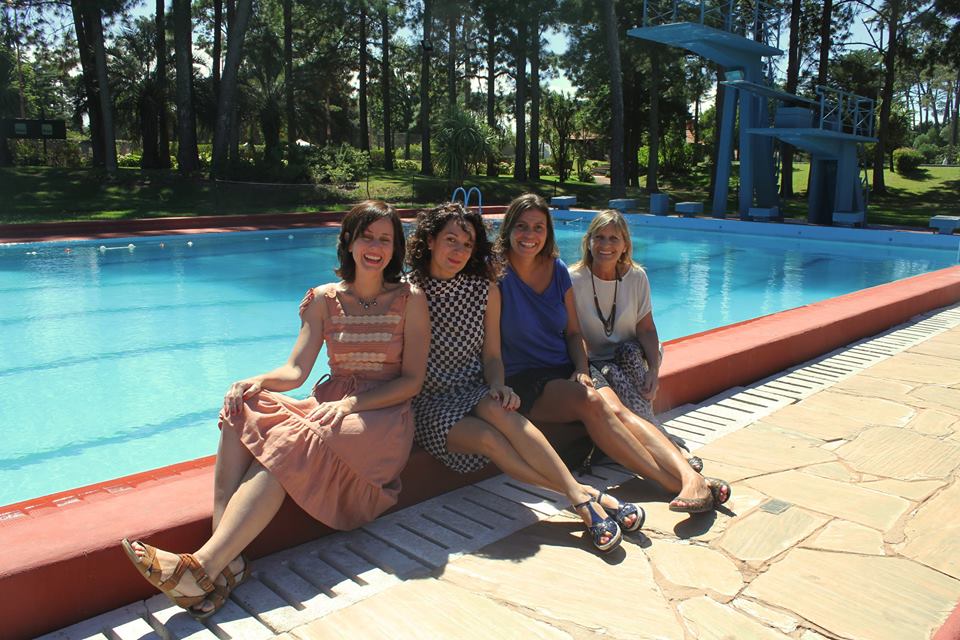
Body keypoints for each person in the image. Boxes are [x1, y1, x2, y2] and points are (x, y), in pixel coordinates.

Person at [121, 200, 429, 617]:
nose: (375, 247)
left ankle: (204, 566)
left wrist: (352, 403)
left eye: (385, 239)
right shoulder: (323, 299)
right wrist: (255, 382)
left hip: (382, 415)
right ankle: (224, 560)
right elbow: (296, 370)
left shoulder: (410, 299)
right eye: (366, 237)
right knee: (240, 406)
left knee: (294, 437)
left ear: (395, 248)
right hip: (330, 404)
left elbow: (411, 382)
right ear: (349, 242)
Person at [406, 202, 640, 553]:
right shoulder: (409, 291)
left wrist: (498, 384)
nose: (458, 251)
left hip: (474, 388)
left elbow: (492, 354)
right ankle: (585, 498)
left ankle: (581, 500)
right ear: (429, 241)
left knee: (506, 415)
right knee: (491, 440)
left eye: (467, 244)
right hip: (431, 400)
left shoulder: (482, 287)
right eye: (450, 240)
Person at [495, 193, 730, 515]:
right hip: (525, 377)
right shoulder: (495, 275)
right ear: (508, 229)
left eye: (538, 227)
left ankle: (690, 476)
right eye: (521, 226)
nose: (529, 235)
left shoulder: (557, 270)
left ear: (548, 231)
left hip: (567, 366)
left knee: (621, 411)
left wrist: (580, 367)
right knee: (593, 403)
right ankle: (676, 484)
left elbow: (574, 333)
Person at [568, 209, 702, 471]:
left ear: (625, 244)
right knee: (612, 373)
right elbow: (573, 333)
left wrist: (653, 369)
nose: (606, 245)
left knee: (628, 352)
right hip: (594, 361)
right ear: (589, 241)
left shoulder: (637, 277)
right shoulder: (574, 279)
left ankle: (657, 439)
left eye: (614, 238)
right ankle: (667, 443)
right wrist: (582, 369)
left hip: (631, 355)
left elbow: (647, 330)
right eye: (600, 237)